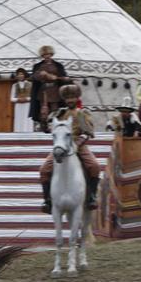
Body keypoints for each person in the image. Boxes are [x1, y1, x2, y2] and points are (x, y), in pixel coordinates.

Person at [39, 84, 100, 213]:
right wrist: (44, 121)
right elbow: (50, 129)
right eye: (67, 98)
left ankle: (92, 197)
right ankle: (47, 200)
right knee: (44, 169)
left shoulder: (83, 113)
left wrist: (77, 144)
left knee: (94, 166)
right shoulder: (60, 113)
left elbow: (88, 131)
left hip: (79, 145)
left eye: (73, 97)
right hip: (61, 145)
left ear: (77, 98)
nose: (70, 100)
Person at [30, 46, 69, 133]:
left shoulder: (58, 65)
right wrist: (41, 74)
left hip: (55, 90)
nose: (47, 56)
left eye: (48, 54)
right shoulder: (38, 66)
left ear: (51, 54)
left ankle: (55, 127)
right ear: (42, 55)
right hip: (43, 91)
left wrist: (64, 78)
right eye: (45, 54)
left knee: (55, 109)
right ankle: (44, 127)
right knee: (43, 110)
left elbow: (63, 75)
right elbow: (33, 77)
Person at [11, 68, 34, 132]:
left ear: (24, 75)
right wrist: (18, 99)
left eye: (22, 74)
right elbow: (12, 98)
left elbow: (33, 97)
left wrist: (26, 99)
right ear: (17, 76)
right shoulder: (14, 85)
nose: (20, 76)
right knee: (19, 119)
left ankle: (28, 133)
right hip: (18, 106)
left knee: (27, 120)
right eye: (19, 74)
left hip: (27, 105)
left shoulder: (30, 84)